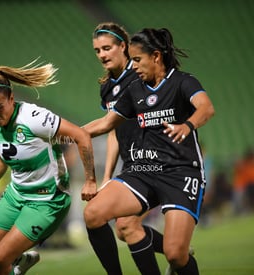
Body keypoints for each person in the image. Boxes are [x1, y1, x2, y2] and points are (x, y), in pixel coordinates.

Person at [83, 28, 215, 275]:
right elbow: (106, 124)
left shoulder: (183, 82)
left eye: (137, 60)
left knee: (176, 255)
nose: (133, 66)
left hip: (181, 172)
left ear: (156, 56)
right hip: (144, 171)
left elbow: (206, 108)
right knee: (94, 213)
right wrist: (62, 132)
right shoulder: (134, 89)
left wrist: (187, 125)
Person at [0, 60, 97, 275]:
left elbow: (81, 136)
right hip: (16, 195)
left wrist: (91, 180)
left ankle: (12, 262)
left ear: (11, 98)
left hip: (47, 200)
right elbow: (1, 158)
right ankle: (22, 261)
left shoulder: (34, 119)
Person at [90, 22, 164, 275]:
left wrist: (68, 134)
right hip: (133, 167)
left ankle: (179, 253)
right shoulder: (107, 87)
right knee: (125, 228)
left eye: (107, 48)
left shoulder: (143, 72)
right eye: (97, 50)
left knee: (125, 225)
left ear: (123, 46)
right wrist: (107, 177)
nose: (102, 55)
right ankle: (179, 253)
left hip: (159, 165)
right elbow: (114, 133)